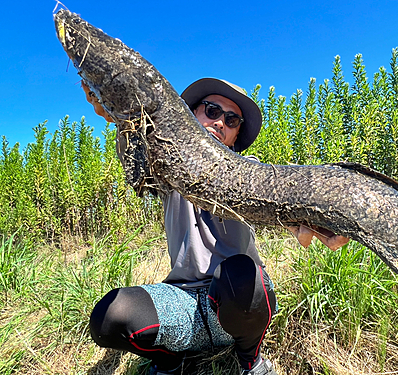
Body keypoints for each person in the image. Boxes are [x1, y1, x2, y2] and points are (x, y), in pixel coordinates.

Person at [84, 78, 349, 375]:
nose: (220, 122)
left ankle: (250, 360)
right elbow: (138, 161)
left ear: (235, 136)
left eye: (231, 119)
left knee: (241, 271)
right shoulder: (167, 168)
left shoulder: (247, 170)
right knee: (110, 317)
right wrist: (122, 120)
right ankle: (170, 361)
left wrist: (321, 220)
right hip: (183, 303)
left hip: (237, 302)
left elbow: (281, 198)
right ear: (190, 115)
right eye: (211, 110)